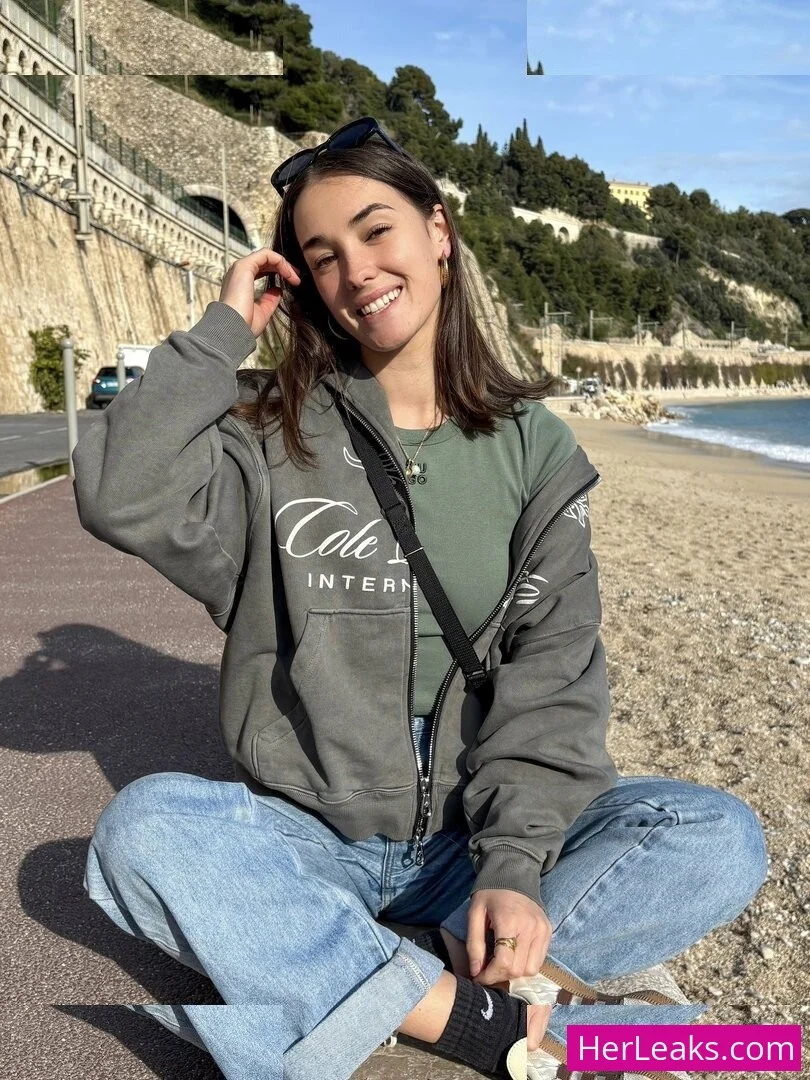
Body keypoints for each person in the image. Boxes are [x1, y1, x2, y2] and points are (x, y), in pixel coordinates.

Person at [71, 117, 768, 1080]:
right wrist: (223, 330)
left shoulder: (534, 450)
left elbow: (553, 674)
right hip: (312, 837)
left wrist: (514, 868)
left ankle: (378, 995)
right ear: (302, 282)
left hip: (467, 846)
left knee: (719, 836)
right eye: (323, 255)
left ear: (438, 232)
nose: (357, 271)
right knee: (145, 831)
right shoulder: (269, 438)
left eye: (376, 231)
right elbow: (119, 491)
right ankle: (508, 1030)